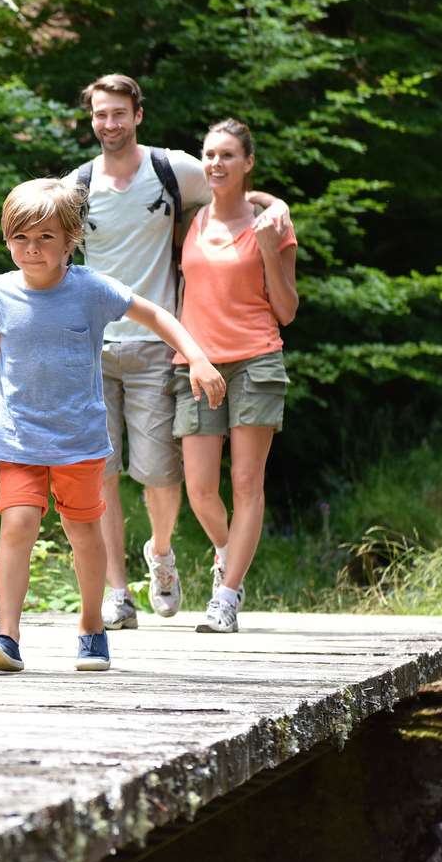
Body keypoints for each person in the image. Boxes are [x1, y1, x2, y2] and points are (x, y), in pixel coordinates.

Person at [0, 179, 224, 673]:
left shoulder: (89, 289)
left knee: (83, 532)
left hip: (79, 439)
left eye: (45, 237)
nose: (32, 249)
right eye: (21, 238)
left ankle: (91, 627)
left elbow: (154, 314)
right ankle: (7, 637)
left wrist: (197, 357)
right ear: (6, 239)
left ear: (71, 239)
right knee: (17, 525)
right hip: (19, 436)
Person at [69, 74, 289, 629]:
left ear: (138, 114)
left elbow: (230, 187)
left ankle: (174, 560)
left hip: (162, 346)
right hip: (97, 347)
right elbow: (34, 235)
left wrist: (275, 203)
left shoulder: (172, 170)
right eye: (101, 114)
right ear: (91, 118)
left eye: (119, 113)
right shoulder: (75, 185)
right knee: (105, 474)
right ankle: (120, 593)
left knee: (162, 478)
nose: (110, 123)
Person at [174, 119, 298, 633]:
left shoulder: (272, 225)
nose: (216, 164)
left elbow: (287, 310)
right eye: (210, 155)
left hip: (256, 359)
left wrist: (269, 245)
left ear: (247, 162)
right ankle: (230, 554)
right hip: (197, 362)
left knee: (247, 482)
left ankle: (225, 598)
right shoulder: (189, 221)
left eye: (228, 155)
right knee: (200, 488)